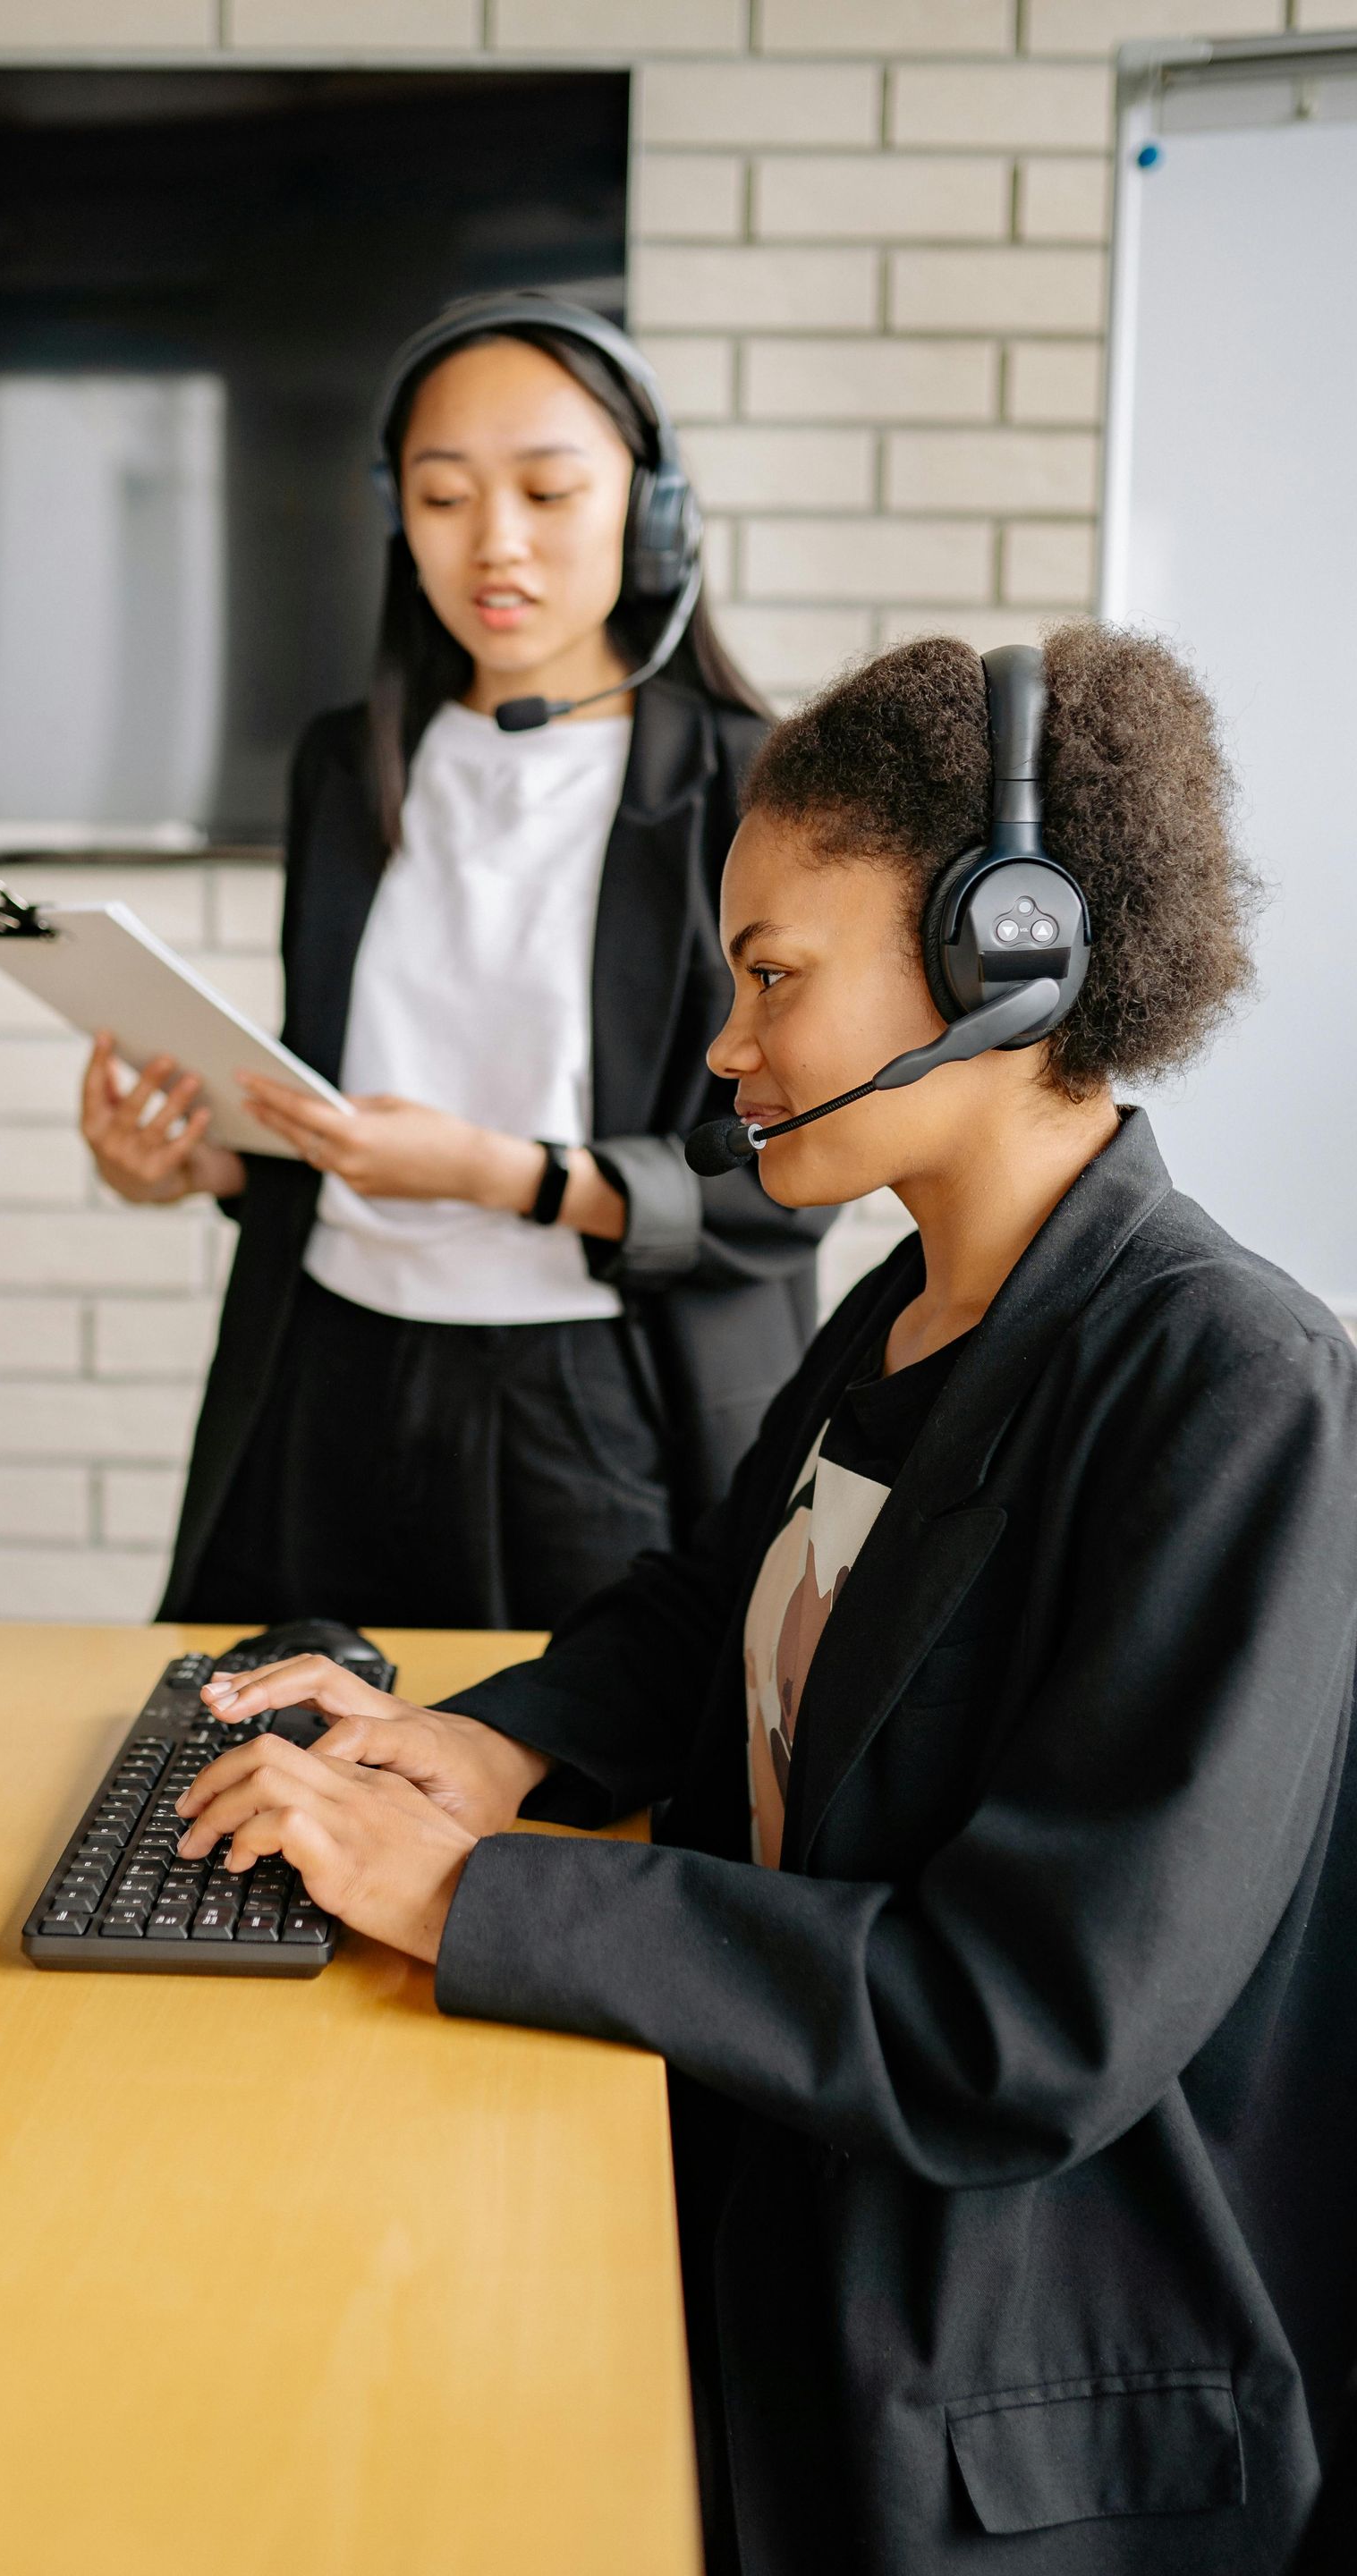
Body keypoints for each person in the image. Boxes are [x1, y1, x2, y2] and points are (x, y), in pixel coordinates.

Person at [172, 627, 1357, 2576]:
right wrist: (479, 1746)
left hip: (983, 2392)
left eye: (774, 976)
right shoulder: (909, 1307)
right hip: (776, 2212)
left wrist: (473, 1895)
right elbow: (709, 1605)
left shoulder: (1231, 1388)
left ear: (1006, 962)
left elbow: (1025, 2020)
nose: (726, 1047)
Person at [81, 292, 831, 1631]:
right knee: (246, 1771)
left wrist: (497, 1174)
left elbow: (790, 1181)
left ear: (653, 515)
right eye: (442, 497)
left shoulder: (752, 789)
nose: (497, 544)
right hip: (323, 1376)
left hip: (593, 1407)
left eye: (549, 491)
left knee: (566, 1803)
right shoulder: (342, 763)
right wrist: (200, 1162)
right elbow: (349, 1106)